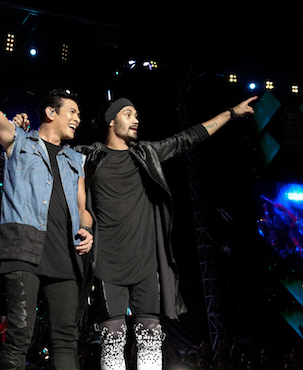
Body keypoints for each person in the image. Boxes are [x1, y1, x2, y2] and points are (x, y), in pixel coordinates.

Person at [79, 97, 256, 370]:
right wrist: (21, 133)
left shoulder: (146, 153)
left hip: (146, 264)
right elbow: (51, 148)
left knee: (150, 337)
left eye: (137, 114)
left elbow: (188, 138)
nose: (136, 119)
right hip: (106, 264)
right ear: (111, 121)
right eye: (128, 114)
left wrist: (231, 113)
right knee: (112, 340)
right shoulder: (88, 156)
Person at [0, 42, 93, 370]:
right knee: (20, 333)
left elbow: (83, 207)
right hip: (23, 247)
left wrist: (86, 228)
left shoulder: (76, 160)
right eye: (72, 112)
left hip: (65, 254)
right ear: (51, 113)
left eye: (79, 114)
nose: (78, 118)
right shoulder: (19, 140)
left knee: (67, 338)